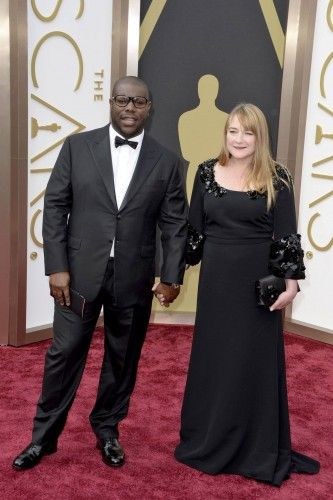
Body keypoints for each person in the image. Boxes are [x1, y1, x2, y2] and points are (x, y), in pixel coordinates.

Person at [13, 76, 187, 470]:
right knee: (63, 354)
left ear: (149, 108)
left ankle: (107, 428)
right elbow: (55, 207)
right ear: (111, 102)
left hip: (134, 276)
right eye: (122, 100)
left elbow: (174, 224)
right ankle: (43, 439)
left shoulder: (167, 161)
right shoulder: (77, 147)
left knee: (122, 359)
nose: (130, 108)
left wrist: (171, 277)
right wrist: (56, 267)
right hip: (77, 275)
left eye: (138, 102)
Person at [174, 103, 320, 486]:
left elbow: (286, 235)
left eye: (248, 132)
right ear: (225, 134)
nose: (239, 139)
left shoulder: (277, 176)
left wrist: (291, 284)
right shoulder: (206, 172)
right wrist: (170, 274)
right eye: (233, 131)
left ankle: (254, 445)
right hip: (216, 282)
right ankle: (209, 437)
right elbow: (194, 233)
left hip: (257, 284)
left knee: (250, 362)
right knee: (215, 358)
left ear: (260, 136)